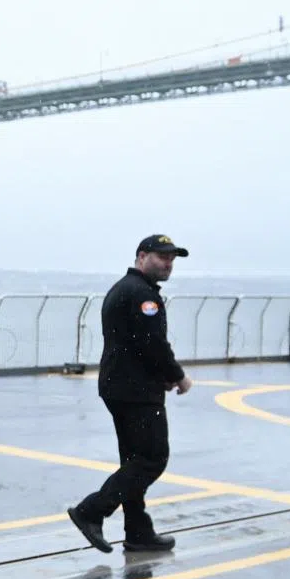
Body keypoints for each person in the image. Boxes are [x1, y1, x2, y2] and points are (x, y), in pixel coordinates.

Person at [68, 234, 193, 554]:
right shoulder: (143, 294)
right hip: (136, 392)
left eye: (172, 259)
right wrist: (177, 376)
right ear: (141, 256)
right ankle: (91, 511)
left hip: (121, 386)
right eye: (161, 257)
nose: (168, 264)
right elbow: (152, 343)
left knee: (134, 462)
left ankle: (138, 531)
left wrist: (159, 375)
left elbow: (135, 344)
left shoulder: (124, 288)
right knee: (152, 459)